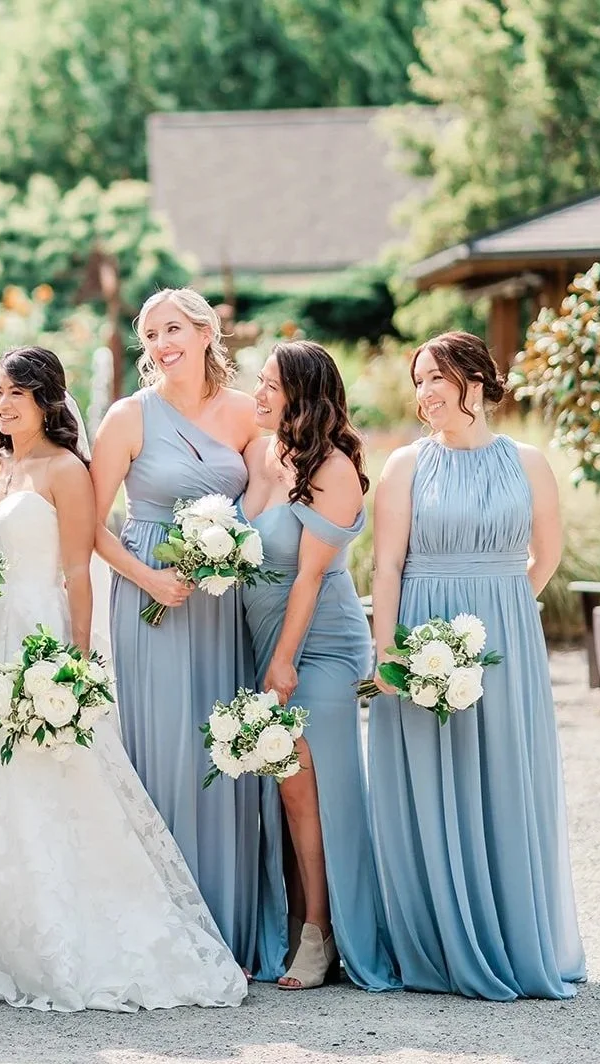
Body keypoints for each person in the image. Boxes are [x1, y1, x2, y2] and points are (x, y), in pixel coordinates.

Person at [0, 346, 247, 1011]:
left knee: (52, 777)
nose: (3, 404)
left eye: (16, 393)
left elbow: (76, 571)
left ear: (46, 400)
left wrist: (74, 664)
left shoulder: (68, 470)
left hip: (37, 634)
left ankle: (72, 937)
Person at [368, 330, 585, 1000]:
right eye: (419, 381)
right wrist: (388, 653)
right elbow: (387, 565)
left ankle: (516, 939)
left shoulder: (528, 463)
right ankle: (442, 941)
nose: (426, 393)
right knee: (434, 779)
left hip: (505, 641)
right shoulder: (405, 465)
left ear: (477, 380)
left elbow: (546, 554)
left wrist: (506, 611)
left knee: (505, 775)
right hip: (423, 636)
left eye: (438, 377)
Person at [90, 288, 284, 978]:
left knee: (221, 750)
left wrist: (232, 550)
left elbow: (269, 498)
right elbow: (88, 526)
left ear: (206, 332)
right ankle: (165, 930)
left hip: (221, 602)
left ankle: (226, 928)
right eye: (150, 334)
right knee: (165, 749)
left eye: (172, 328)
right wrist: (150, 580)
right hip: (152, 597)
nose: (160, 343)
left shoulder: (246, 413)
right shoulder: (128, 416)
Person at [239, 341, 399, 991]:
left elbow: (308, 578)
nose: (257, 393)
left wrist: (283, 664)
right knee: (284, 786)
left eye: (270, 385)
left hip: (321, 644)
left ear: (302, 396)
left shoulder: (333, 468)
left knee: (307, 780)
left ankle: (321, 932)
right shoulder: (262, 453)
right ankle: (297, 919)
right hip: (266, 638)